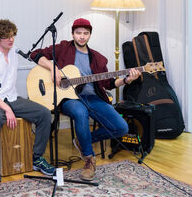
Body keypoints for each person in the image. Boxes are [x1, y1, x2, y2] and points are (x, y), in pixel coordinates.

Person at [30, 18, 140, 181]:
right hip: (68, 99)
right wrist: (52, 68)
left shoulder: (98, 58)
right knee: (80, 113)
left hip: (93, 98)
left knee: (121, 127)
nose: (82, 37)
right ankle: (89, 160)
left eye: (85, 33)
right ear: (73, 34)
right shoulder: (63, 48)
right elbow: (35, 54)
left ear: (90, 35)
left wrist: (126, 80)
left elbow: (108, 83)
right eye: (78, 33)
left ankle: (82, 141)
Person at [0, 19, 55, 183]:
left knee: (44, 114)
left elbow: (33, 56)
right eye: (7, 36)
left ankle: (37, 158)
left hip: (12, 98)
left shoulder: (14, 53)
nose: (11, 39)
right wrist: (7, 109)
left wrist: (51, 68)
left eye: (12, 35)